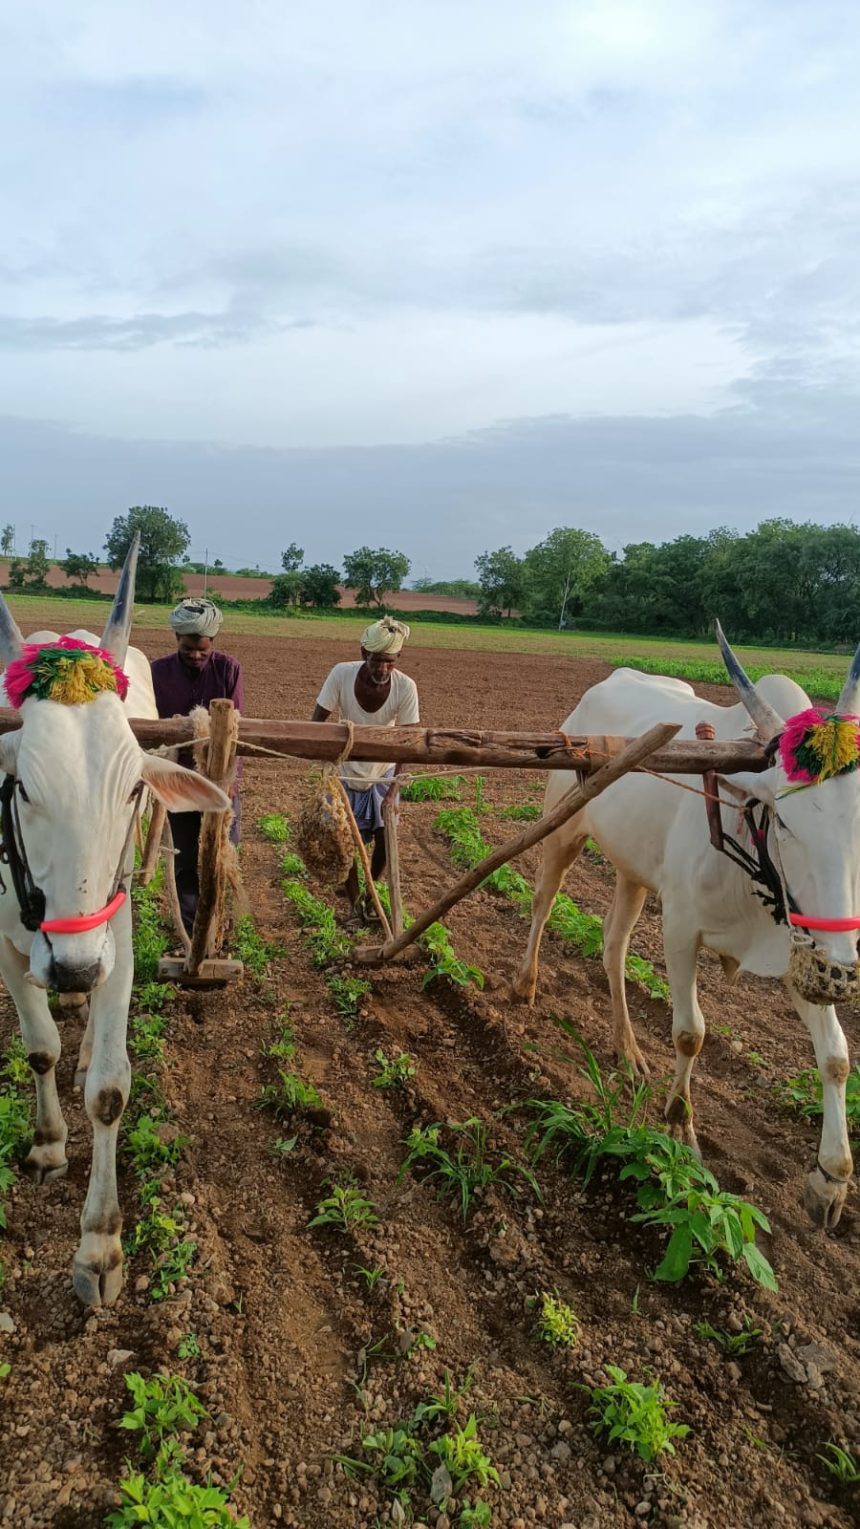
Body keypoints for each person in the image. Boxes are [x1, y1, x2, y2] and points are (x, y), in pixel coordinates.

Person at [312, 617, 419, 923]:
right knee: (344, 840)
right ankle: (353, 900)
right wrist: (324, 769)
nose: (382, 669)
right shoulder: (341, 674)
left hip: (382, 771)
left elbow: (409, 741)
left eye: (389, 662)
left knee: (387, 837)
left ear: (397, 659)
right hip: (345, 769)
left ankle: (371, 893)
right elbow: (317, 722)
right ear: (364, 654)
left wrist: (393, 791)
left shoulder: (405, 687)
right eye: (376, 661)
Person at [150, 597, 244, 936]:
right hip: (177, 780)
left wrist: (230, 781)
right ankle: (192, 931)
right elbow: (150, 725)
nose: (195, 655)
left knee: (221, 856)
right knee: (185, 859)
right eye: (189, 648)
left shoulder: (229, 669)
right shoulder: (157, 672)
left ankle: (221, 927)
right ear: (176, 639)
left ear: (212, 643)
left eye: (202, 649)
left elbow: (236, 728)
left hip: (219, 779)